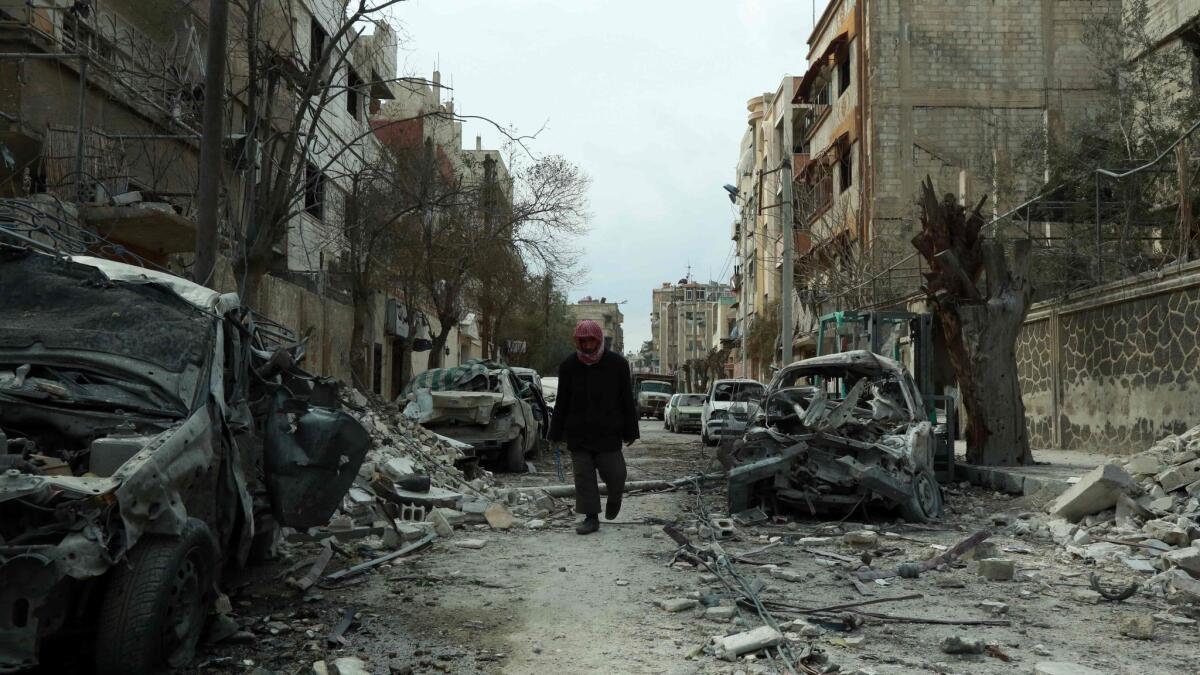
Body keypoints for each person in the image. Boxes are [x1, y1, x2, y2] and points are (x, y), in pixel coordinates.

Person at [548, 319, 639, 535]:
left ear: (598, 340)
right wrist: (555, 433)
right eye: (583, 341)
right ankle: (590, 518)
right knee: (584, 478)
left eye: (591, 341)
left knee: (617, 476)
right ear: (577, 342)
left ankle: (615, 498)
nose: (587, 346)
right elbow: (562, 401)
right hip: (578, 434)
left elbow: (627, 399)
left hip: (608, 433)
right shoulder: (569, 366)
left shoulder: (617, 364)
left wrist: (631, 430)